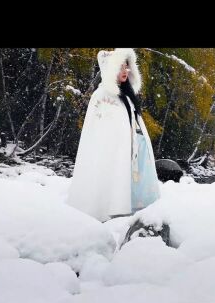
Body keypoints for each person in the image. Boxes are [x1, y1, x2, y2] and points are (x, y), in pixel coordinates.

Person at [66, 48, 161, 222]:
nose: (125, 71)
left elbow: (129, 125)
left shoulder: (127, 96)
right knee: (109, 173)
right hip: (108, 154)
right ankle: (103, 209)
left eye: (126, 66)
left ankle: (129, 210)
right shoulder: (101, 96)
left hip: (131, 150)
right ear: (110, 69)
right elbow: (100, 134)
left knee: (126, 177)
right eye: (120, 67)